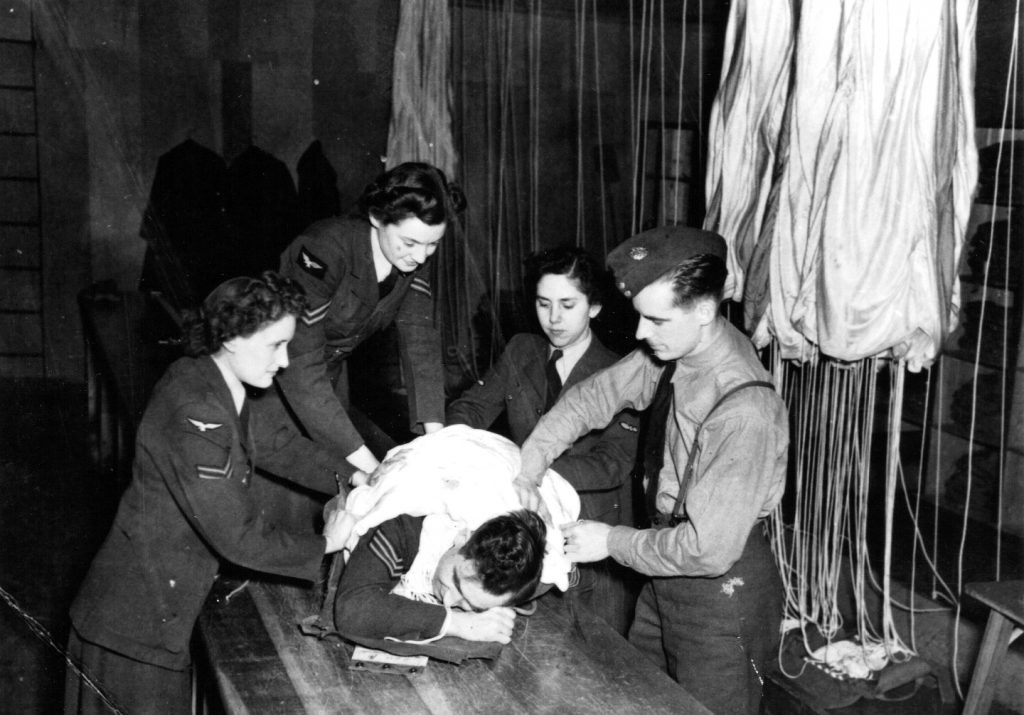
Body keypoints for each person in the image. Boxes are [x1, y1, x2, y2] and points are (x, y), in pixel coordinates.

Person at [516, 226, 788, 715]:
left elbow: (707, 550)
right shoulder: (674, 351)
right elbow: (591, 399)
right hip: (662, 575)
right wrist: (529, 467)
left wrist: (610, 542)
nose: (641, 333)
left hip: (721, 596)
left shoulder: (744, 409)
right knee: (637, 698)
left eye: (656, 319)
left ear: (705, 311)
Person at [65, 272, 354, 715]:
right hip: (137, 625)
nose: (284, 362)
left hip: (148, 612)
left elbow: (280, 446)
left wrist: (359, 477)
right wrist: (327, 543)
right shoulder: (198, 411)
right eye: (275, 345)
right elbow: (236, 537)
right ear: (235, 337)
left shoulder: (209, 378)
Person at [446, 245, 640, 634]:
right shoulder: (522, 349)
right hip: (525, 528)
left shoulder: (622, 371)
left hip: (589, 535)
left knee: (599, 653)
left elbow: (613, 461)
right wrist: (451, 443)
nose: (553, 319)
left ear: (595, 307)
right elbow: (470, 409)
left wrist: (526, 469)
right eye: (543, 303)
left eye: (568, 305)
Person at [271, 161, 467, 477]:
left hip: (329, 384)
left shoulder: (409, 259)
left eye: (432, 245)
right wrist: (372, 469)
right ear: (377, 217)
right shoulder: (324, 250)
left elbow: (421, 341)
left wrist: (437, 440)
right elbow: (299, 362)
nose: (420, 257)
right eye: (410, 243)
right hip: (274, 382)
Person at [334, 510, 546, 644]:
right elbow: (353, 610)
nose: (447, 602)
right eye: (455, 582)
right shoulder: (401, 529)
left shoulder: (523, 584)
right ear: (463, 537)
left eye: (475, 606)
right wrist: (457, 623)